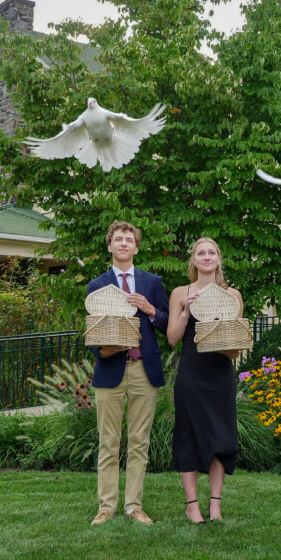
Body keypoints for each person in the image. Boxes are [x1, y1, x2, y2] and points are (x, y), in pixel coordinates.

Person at [87, 220, 169, 526]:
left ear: (136, 247)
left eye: (129, 240)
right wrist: (103, 351)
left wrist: (149, 309)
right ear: (109, 246)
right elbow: (91, 332)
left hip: (143, 372)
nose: (124, 243)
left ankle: (134, 506)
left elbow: (166, 323)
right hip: (110, 371)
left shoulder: (152, 283)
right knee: (109, 442)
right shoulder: (97, 285)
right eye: (118, 239)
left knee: (139, 442)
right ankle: (106, 507)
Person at [167, 237, 242, 523]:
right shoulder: (179, 292)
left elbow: (235, 348)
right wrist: (187, 311)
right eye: (201, 252)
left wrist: (217, 333)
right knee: (189, 436)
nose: (207, 256)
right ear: (194, 260)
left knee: (220, 437)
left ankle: (215, 504)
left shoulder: (232, 295)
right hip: (191, 374)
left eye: (212, 252)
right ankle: (192, 505)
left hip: (219, 373)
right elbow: (173, 339)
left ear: (218, 259)